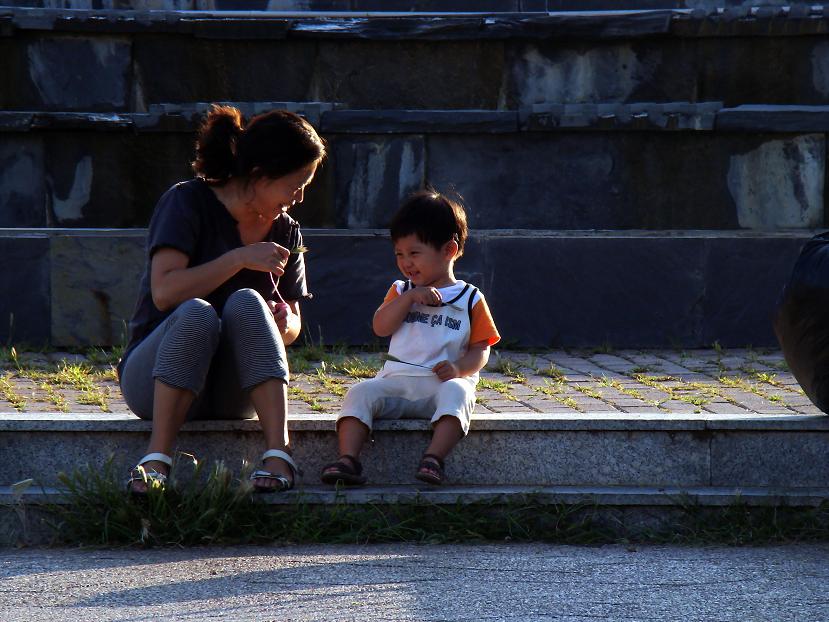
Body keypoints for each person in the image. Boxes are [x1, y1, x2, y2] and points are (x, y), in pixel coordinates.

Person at [118, 105, 326, 494]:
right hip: (154, 379)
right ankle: (155, 460)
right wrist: (239, 258)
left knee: (249, 302)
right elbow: (164, 293)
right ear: (261, 175)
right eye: (295, 184)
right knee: (198, 313)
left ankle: (279, 455)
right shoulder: (186, 202)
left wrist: (283, 323)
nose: (298, 198)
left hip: (234, 390)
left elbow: (295, 325)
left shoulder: (286, 230)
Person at [320, 190, 500, 486]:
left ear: (449, 250)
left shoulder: (470, 298)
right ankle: (348, 459)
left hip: (441, 385)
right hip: (396, 383)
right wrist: (409, 299)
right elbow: (381, 326)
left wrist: (458, 369)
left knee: (460, 395)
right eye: (399, 254)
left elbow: (481, 350)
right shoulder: (401, 291)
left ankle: (433, 459)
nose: (406, 263)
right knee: (360, 392)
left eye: (415, 253)